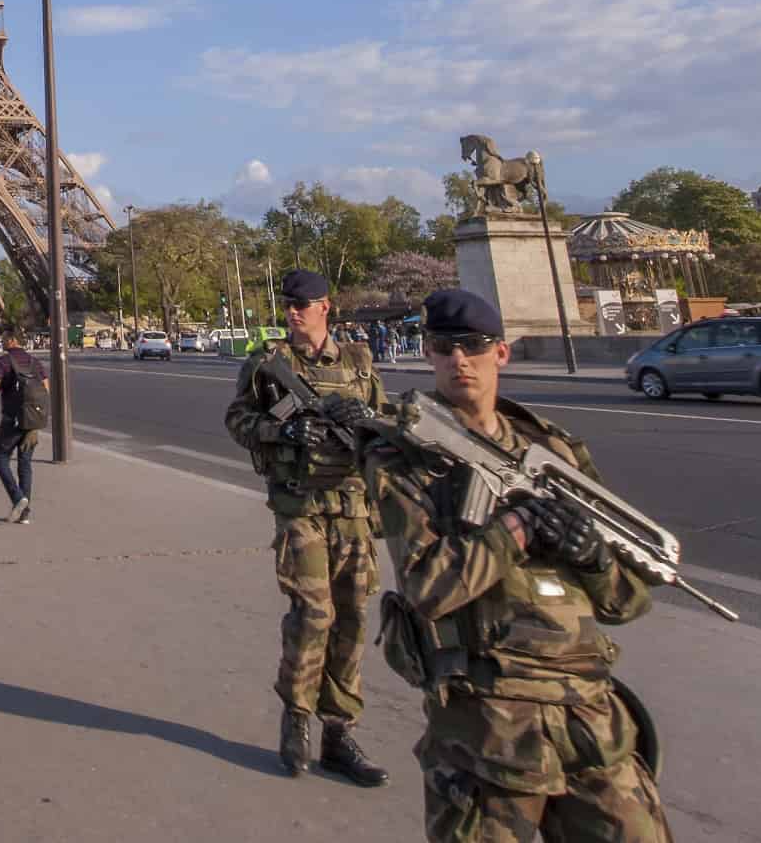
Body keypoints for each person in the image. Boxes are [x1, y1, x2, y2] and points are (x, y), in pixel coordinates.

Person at [373, 289, 672, 841]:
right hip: (487, 724)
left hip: (590, 716)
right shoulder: (408, 460)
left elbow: (627, 602)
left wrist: (592, 557)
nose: (459, 359)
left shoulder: (555, 453)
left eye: (473, 346)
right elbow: (428, 589)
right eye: (443, 347)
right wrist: (516, 528)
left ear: (501, 353)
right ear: (428, 354)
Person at [222, 267, 391, 789]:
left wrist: (364, 426)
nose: (294, 311)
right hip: (301, 507)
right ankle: (296, 721)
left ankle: (338, 731)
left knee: (354, 619)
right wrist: (285, 429)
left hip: (354, 509)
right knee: (314, 614)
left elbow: (385, 435)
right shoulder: (269, 365)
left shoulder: (360, 364)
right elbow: (237, 422)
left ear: (326, 306)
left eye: (304, 303)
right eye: (288, 303)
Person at [0, 330, 47, 523]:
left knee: (1, 458)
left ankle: (17, 497)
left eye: (4, 338)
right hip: (32, 422)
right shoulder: (35, 362)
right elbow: (45, 389)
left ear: (12, 341)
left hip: (11, 420)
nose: (2, 341)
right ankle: (25, 514)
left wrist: (8, 386)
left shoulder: (3, 362)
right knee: (25, 464)